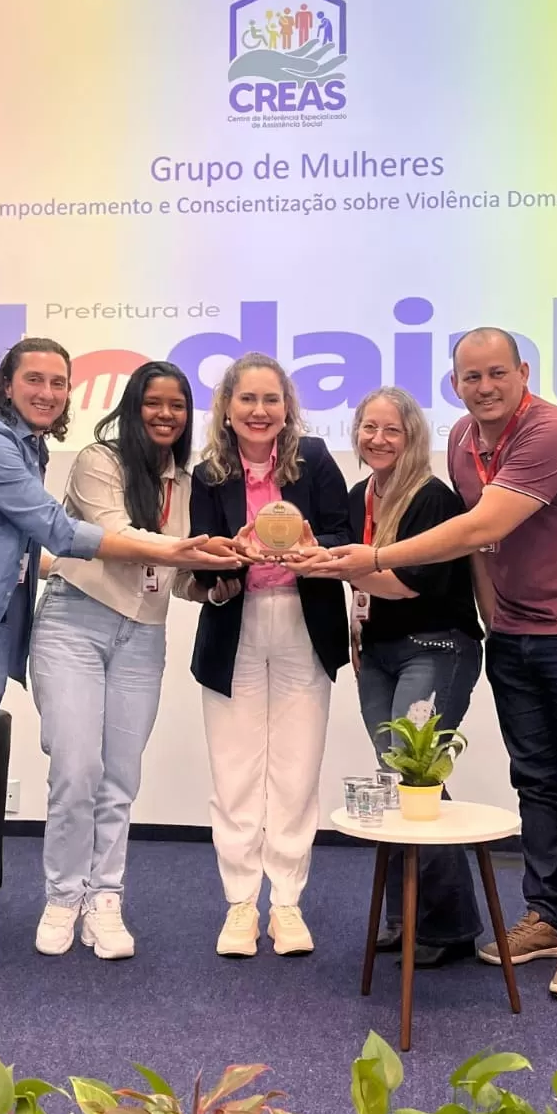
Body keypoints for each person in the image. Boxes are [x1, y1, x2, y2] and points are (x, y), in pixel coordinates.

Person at [0, 338, 238, 1014]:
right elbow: (56, 530)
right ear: (6, 383)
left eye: (59, 383)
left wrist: (202, 573)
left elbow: (30, 553)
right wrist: (181, 549)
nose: (48, 393)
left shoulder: (35, 453)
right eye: (35, 379)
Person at [306, 328, 557, 1003]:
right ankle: (545, 914)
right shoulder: (463, 440)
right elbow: (480, 554)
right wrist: (492, 622)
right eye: (471, 377)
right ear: (455, 384)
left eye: (496, 374)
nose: (484, 387)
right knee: (535, 779)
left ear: (523, 372)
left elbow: (483, 527)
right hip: (513, 630)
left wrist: (375, 557)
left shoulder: (551, 433)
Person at [30, 362, 222, 962]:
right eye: (153, 403)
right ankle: (63, 896)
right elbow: (115, 537)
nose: (166, 415)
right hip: (74, 622)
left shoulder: (186, 482)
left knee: (120, 776)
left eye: (178, 405)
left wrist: (216, 584)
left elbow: (178, 578)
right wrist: (193, 552)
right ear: (133, 406)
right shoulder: (99, 461)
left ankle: (104, 897)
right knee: (76, 768)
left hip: (143, 636)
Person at [188, 353, 350, 959]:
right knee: (234, 770)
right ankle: (239, 904)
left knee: (296, 768)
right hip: (237, 624)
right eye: (248, 399)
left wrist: (313, 546)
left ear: (288, 408)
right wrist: (228, 558)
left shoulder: (316, 459)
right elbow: (201, 563)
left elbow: (344, 535)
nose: (260, 411)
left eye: (271, 399)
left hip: (304, 624)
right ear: (227, 408)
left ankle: (285, 902)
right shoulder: (208, 474)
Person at [347, 387, 483, 967]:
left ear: (413, 438)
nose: (378, 439)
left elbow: (407, 585)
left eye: (392, 430)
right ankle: (406, 918)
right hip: (377, 654)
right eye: (369, 427)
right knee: (398, 779)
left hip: (435, 649)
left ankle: (447, 926)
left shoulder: (434, 499)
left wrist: (338, 565)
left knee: (415, 775)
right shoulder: (358, 496)